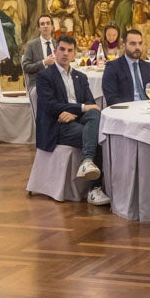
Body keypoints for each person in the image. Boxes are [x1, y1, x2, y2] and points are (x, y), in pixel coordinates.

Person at [35, 34, 110, 206]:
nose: (65, 53)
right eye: (62, 49)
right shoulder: (45, 77)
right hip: (57, 125)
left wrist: (75, 113)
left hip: (76, 120)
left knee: (95, 115)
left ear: (74, 54)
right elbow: (51, 107)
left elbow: (91, 104)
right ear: (55, 51)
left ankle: (87, 161)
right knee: (96, 136)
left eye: (70, 50)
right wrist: (80, 108)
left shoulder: (81, 77)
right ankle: (94, 190)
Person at [102, 29, 150, 105]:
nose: (137, 47)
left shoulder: (148, 67)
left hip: (149, 109)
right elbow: (111, 98)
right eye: (133, 44)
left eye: (140, 43)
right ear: (124, 45)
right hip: (126, 111)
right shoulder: (113, 67)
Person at [21, 15, 56, 88]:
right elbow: (26, 67)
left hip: (57, 82)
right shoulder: (31, 45)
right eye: (42, 24)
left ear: (52, 27)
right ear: (39, 28)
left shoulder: (57, 44)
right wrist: (44, 62)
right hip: (39, 83)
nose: (45, 26)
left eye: (48, 23)